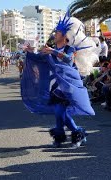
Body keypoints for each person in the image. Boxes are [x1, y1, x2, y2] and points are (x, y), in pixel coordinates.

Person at [22, 12, 98, 148]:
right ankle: (76, 133)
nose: (55, 34)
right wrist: (30, 51)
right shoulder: (51, 49)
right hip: (56, 87)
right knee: (61, 112)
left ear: (64, 35)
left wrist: (53, 52)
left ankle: (64, 136)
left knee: (59, 112)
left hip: (68, 87)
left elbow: (68, 60)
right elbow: (40, 58)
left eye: (57, 32)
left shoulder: (69, 49)